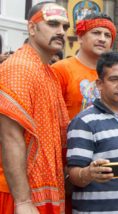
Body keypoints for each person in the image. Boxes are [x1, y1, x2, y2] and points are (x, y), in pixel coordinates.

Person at [0, 2, 70, 213]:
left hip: (42, 191)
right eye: (52, 24)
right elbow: (10, 137)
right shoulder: (19, 68)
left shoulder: (48, 73)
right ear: (32, 28)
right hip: (17, 195)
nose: (60, 31)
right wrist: (22, 201)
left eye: (64, 26)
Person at [66, 52, 118, 212]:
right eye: (114, 79)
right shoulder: (85, 121)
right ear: (99, 84)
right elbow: (73, 175)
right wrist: (89, 173)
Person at [52, 13, 116, 119]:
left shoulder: (114, 74)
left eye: (107, 35)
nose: (102, 39)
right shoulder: (60, 70)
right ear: (80, 37)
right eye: (96, 33)